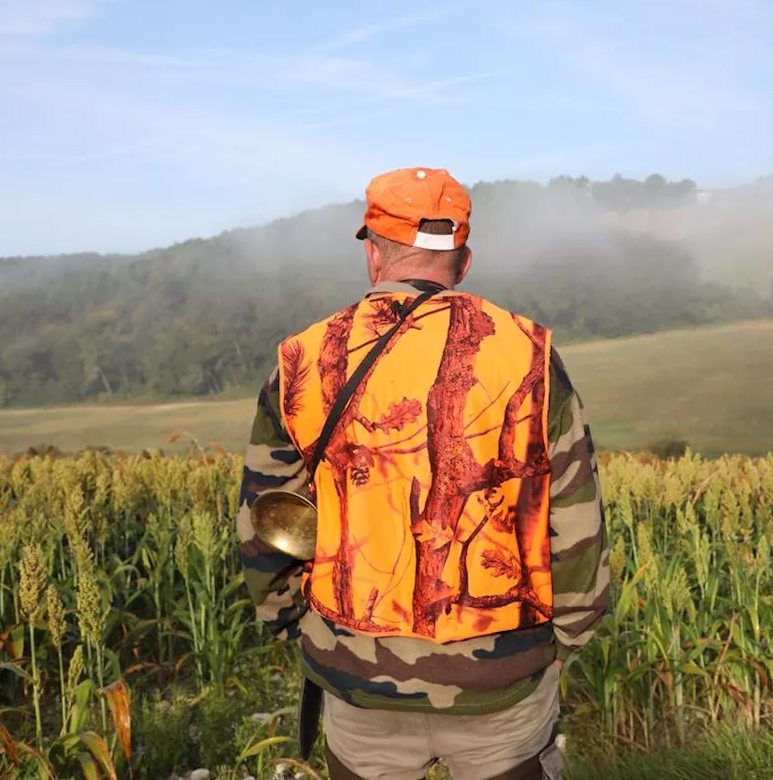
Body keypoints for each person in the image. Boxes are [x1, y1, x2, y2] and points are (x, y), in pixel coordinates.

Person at [238, 167, 610, 780]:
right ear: (462, 261)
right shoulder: (528, 352)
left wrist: (289, 622)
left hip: (355, 672)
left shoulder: (304, 356)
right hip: (502, 673)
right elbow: (572, 512)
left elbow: (267, 515)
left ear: (372, 252)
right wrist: (568, 637)